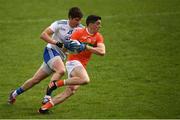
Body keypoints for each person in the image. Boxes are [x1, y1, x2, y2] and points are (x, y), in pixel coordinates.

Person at [8, 7, 84, 104]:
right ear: (70, 18)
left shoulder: (80, 29)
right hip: (50, 51)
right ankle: (47, 96)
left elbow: (85, 44)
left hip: (60, 57)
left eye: (80, 20)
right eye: (76, 20)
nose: (78, 22)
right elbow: (43, 35)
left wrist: (81, 46)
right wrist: (56, 43)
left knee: (35, 80)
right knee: (61, 70)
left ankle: (14, 94)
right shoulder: (59, 24)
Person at [38, 15, 106, 114]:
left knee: (70, 91)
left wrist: (86, 47)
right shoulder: (78, 33)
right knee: (85, 80)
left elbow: (102, 52)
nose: (100, 26)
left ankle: (44, 108)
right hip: (73, 62)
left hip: (82, 65)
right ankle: (56, 84)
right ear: (91, 24)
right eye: (98, 24)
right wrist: (74, 47)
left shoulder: (98, 36)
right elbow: (67, 48)